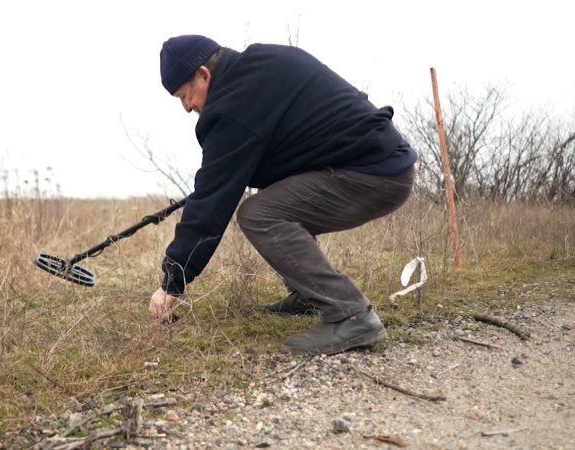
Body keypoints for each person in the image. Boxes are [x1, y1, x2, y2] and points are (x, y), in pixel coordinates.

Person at [148, 35, 417, 355]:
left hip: (375, 173)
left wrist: (173, 280)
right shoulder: (264, 62)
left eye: (185, 95)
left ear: (204, 75)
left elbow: (211, 202)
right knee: (275, 198)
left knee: (259, 214)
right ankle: (307, 295)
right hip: (384, 163)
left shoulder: (232, 106)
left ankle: (350, 314)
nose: (187, 106)